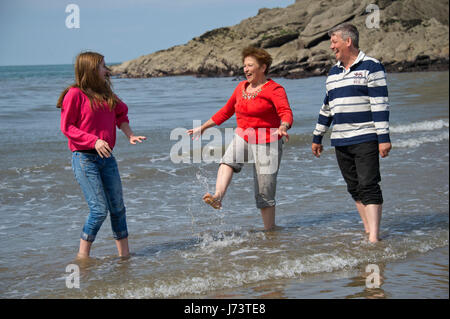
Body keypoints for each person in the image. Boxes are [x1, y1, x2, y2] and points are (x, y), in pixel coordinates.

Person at [187, 47, 293, 230]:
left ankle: (270, 232)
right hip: (243, 135)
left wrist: (283, 126)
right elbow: (226, 111)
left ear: (263, 67)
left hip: (268, 139)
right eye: (244, 66)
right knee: (227, 161)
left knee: (264, 191)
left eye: (250, 65)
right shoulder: (240, 88)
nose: (245, 69)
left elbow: (285, 112)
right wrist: (204, 127)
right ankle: (217, 197)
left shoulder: (275, 89)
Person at [57, 51, 146, 258]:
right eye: (103, 66)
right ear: (90, 69)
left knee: (118, 209)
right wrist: (94, 140)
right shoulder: (74, 94)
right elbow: (67, 127)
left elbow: (121, 114)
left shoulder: (106, 94)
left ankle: (125, 257)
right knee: (99, 210)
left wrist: (129, 135)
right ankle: (82, 257)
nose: (106, 70)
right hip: (85, 158)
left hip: (107, 159)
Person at [311, 23, 391, 243]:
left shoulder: (372, 67)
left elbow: (380, 104)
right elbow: (327, 107)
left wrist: (383, 139)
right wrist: (318, 136)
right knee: (354, 187)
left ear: (348, 41)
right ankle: (368, 230)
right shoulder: (333, 72)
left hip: (366, 137)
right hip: (341, 140)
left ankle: (374, 238)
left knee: (369, 185)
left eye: (334, 41)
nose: (331, 46)